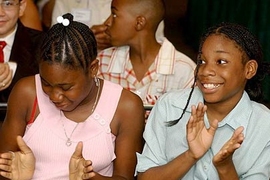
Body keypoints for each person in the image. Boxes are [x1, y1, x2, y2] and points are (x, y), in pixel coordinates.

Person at [0, 13, 145, 180]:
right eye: (46, 83)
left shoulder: (126, 106)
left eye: (66, 87)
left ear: (93, 69)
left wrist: (89, 178)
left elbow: (125, 177)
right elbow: (5, 167)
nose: (55, 96)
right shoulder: (26, 93)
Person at [135, 22, 270, 179]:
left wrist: (225, 167)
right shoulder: (170, 105)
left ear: (249, 69)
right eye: (202, 61)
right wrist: (190, 155)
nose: (205, 71)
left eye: (221, 62)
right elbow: (145, 177)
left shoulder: (264, 125)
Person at [97, 0, 196, 106]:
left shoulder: (184, 71)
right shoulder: (103, 62)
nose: (107, 22)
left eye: (114, 14)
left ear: (139, 23)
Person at [50, 0, 164, 51]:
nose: (107, 23)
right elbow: (54, 44)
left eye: (114, 15)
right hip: (82, 69)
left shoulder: (142, 4)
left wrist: (122, 38)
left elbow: (153, 41)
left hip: (128, 63)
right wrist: (84, 40)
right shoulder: (65, 2)